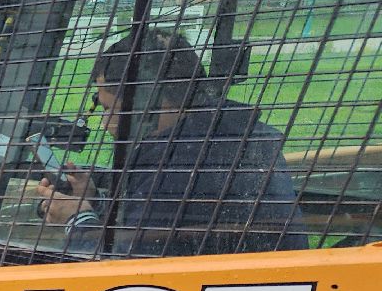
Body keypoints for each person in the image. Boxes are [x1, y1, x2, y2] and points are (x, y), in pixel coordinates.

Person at [32, 30, 307, 257]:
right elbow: (161, 230)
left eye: (109, 109)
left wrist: (76, 220)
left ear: (148, 101)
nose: (105, 124)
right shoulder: (225, 133)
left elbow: (124, 269)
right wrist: (94, 202)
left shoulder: (183, 164)